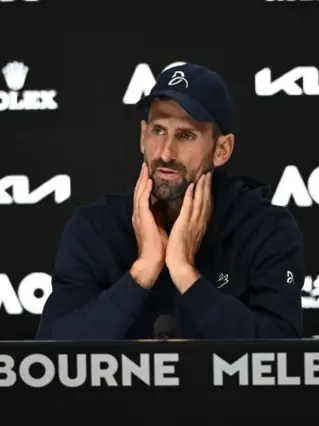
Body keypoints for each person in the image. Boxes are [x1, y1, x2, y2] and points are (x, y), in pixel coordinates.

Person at [35, 63, 304, 340]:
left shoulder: (266, 228)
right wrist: (142, 271)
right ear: (143, 136)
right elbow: (49, 356)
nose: (166, 153)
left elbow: (285, 354)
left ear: (222, 149)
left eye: (186, 135)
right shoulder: (93, 227)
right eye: (158, 131)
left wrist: (185, 273)